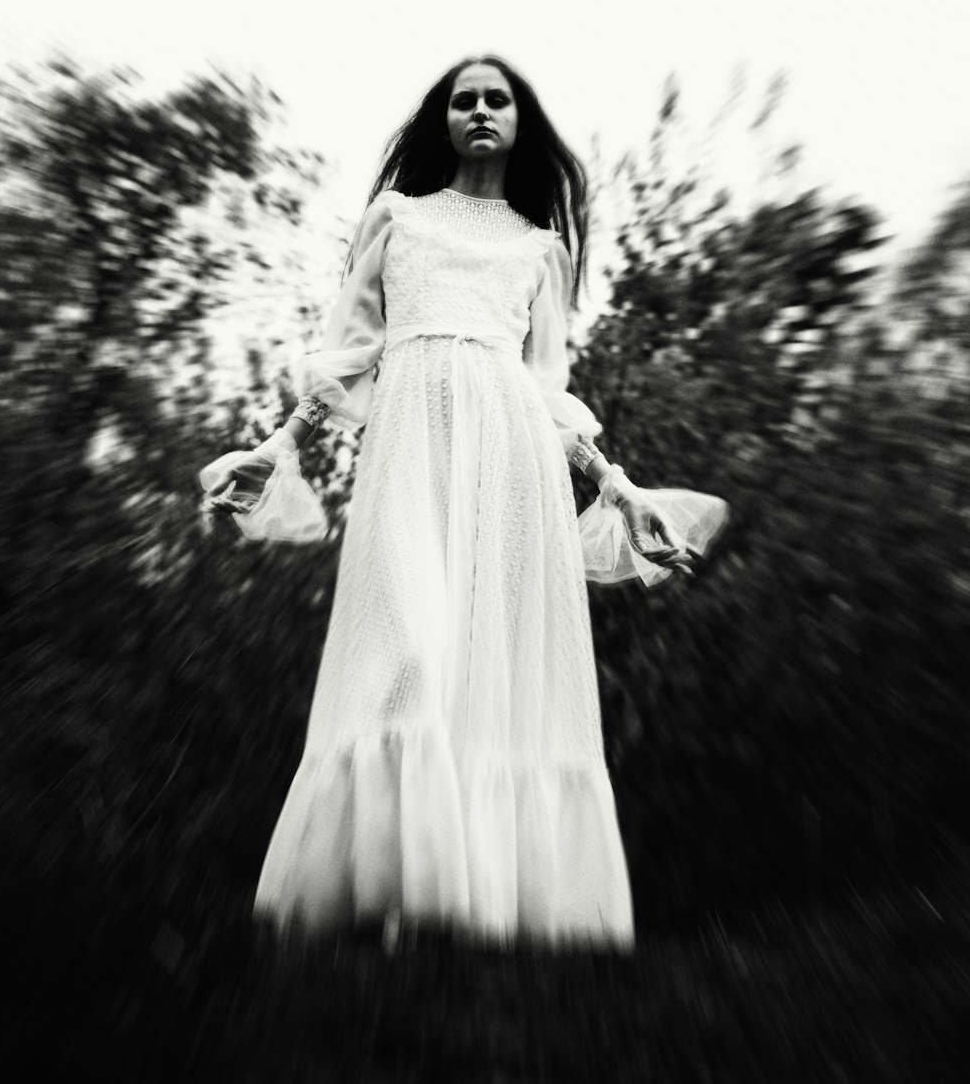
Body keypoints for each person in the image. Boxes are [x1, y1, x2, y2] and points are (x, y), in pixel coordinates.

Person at [204, 55, 719, 951]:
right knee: (403, 645)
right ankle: (390, 893)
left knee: (490, 668)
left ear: (521, 122)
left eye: (497, 98)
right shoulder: (396, 218)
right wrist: (279, 445)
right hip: (410, 453)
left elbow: (547, 390)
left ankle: (464, 912)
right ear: (442, 119)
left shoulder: (538, 248)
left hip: (511, 464)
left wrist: (620, 492)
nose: (479, 110)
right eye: (462, 99)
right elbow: (351, 348)